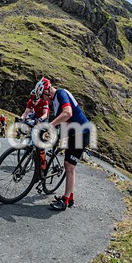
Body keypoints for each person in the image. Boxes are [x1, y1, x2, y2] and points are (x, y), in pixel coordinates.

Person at [37, 77, 91, 211]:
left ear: (47, 91)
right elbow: (64, 121)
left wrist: (50, 125)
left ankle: (65, 201)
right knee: (67, 165)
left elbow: (68, 113)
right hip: (72, 134)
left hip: (81, 132)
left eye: (43, 96)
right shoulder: (55, 102)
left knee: (69, 166)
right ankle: (70, 197)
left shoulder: (61, 94)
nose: (44, 100)